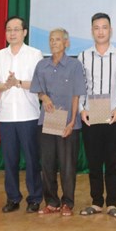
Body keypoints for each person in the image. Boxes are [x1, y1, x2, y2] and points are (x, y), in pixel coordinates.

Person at [78, 13, 116, 218]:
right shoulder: (83, 56)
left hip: (112, 115)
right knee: (93, 161)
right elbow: (79, 86)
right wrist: (82, 109)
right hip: (91, 115)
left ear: (111, 30)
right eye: (96, 27)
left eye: (104, 27)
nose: (100, 31)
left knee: (111, 161)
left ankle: (112, 203)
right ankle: (96, 202)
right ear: (92, 31)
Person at [0, 16, 44, 214]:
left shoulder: (35, 54)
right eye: (9, 30)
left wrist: (18, 82)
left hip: (28, 114)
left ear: (24, 32)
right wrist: (5, 85)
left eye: (16, 29)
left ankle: (35, 198)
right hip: (6, 116)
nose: (12, 33)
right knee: (10, 160)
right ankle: (13, 198)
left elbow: (39, 84)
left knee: (31, 159)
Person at [31, 28, 86, 217]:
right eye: (51, 39)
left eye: (58, 39)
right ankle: (51, 202)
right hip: (47, 121)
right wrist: (44, 97)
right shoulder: (42, 65)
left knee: (67, 165)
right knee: (47, 164)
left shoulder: (74, 65)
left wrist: (72, 122)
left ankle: (67, 203)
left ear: (66, 43)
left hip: (68, 122)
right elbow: (38, 90)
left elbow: (76, 95)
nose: (54, 43)